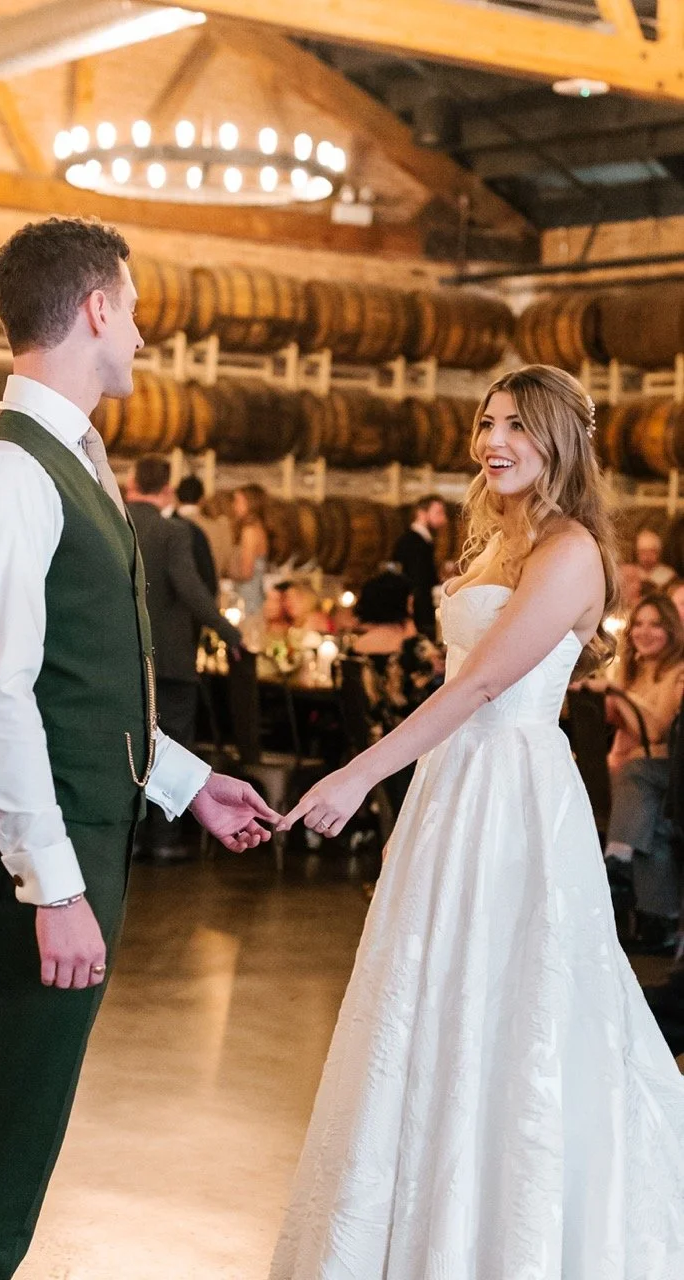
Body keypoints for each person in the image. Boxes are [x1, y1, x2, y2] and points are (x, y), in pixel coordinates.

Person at [0, 217, 278, 1280]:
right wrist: (52, 887)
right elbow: (2, 697)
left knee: (10, 1124)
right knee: (14, 1133)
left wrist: (191, 782)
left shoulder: (69, 456)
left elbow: (88, 685)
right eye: (134, 307)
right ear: (96, 309)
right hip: (32, 846)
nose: (145, 336)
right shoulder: (5, 473)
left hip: (73, 822)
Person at [272, 365, 684, 1279]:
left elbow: (484, 682)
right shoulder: (496, 535)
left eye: (518, 427)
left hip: (513, 793)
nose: (494, 441)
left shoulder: (569, 547)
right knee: (430, 990)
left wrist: (357, 772)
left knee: (516, 999)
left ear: (559, 443)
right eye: (487, 422)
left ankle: (506, 1229)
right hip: (453, 789)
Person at [126, 454, 242, 861]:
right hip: (171, 662)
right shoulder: (173, 533)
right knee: (173, 744)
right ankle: (164, 840)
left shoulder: (113, 522)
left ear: (131, 483)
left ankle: (132, 836)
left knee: (131, 745)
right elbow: (193, 592)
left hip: (125, 661)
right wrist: (231, 633)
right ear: (167, 490)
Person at [596, 595, 684, 950]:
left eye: (655, 625)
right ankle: (658, 924)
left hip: (672, 769)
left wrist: (619, 695)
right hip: (641, 775)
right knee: (655, 828)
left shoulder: (679, 670)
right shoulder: (629, 670)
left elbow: (659, 729)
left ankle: (617, 855)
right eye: (640, 625)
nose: (645, 632)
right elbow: (621, 727)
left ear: (671, 630)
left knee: (637, 772)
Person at [345, 569, 444, 818]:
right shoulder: (415, 648)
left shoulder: (353, 651)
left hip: (367, 744)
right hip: (409, 747)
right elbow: (441, 689)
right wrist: (410, 628)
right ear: (403, 604)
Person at [389, 493, 448, 639]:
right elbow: (418, 581)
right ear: (422, 513)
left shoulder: (423, 540)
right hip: (417, 612)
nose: (443, 519)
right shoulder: (413, 541)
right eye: (438, 513)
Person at [173, 473, 218, 597]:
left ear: (177, 496)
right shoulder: (217, 527)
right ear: (202, 498)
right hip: (208, 598)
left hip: (173, 601)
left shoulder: (165, 526)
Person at [231, 483, 269, 618]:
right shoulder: (259, 527)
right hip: (255, 594)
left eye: (238, 501)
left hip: (247, 597)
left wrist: (227, 573)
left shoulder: (249, 531)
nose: (234, 507)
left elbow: (246, 571)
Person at [625, 526, 677, 593]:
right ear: (636, 553)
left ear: (658, 553)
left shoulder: (669, 576)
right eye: (642, 552)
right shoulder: (629, 573)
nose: (646, 557)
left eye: (651, 552)